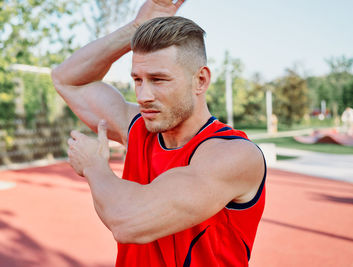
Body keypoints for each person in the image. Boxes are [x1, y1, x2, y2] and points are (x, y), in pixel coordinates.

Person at [51, 0, 266, 266]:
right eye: (137, 80)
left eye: (158, 80)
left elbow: (128, 221)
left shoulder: (233, 155)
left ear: (201, 80)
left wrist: (94, 165)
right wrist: (134, 29)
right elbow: (66, 79)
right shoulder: (139, 127)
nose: (143, 96)